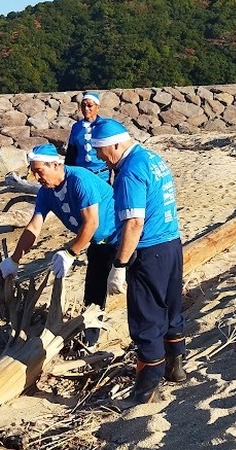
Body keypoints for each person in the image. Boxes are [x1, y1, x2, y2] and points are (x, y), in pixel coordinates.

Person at [90, 118, 186, 408]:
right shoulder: (152, 159)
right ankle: (175, 367)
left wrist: (119, 266)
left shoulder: (130, 171)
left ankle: (145, 392)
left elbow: (134, 222)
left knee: (146, 320)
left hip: (148, 251)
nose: (100, 158)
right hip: (172, 244)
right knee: (170, 307)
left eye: (101, 151)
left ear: (115, 145)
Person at [0, 143, 119, 349]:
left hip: (122, 237)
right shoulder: (46, 193)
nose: (36, 177)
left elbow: (91, 223)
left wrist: (70, 253)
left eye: (39, 171)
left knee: (136, 285)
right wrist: (15, 259)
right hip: (97, 244)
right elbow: (34, 226)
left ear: (55, 165)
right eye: (33, 172)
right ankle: (90, 337)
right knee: (93, 291)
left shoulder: (79, 180)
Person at [65, 91, 111, 182]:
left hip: (102, 176)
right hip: (82, 176)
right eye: (83, 106)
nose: (86, 108)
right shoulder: (76, 127)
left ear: (98, 107)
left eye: (90, 106)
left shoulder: (105, 126)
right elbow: (71, 153)